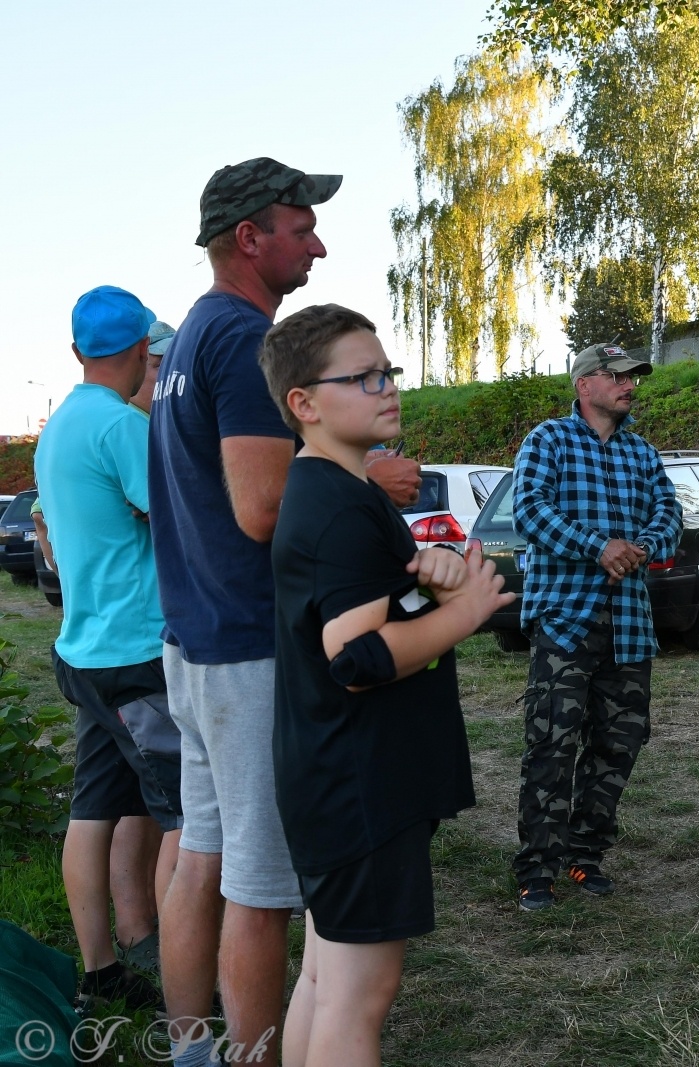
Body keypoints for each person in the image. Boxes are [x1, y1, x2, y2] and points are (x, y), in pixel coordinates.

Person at [147, 157, 419, 1067]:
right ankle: (255, 1056)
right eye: (301, 228)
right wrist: (368, 477)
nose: (319, 242)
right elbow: (263, 508)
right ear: (249, 238)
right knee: (261, 888)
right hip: (250, 652)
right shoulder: (241, 338)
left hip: (194, 640)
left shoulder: (189, 336)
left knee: (202, 858)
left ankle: (194, 1048)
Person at [258, 304, 510, 1067]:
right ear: (304, 403)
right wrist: (464, 610)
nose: (387, 388)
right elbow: (358, 659)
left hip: (332, 774)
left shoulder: (334, 490)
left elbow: (363, 612)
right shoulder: (339, 507)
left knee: (326, 983)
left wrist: (426, 587)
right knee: (356, 999)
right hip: (359, 782)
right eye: (362, 378)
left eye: (387, 372)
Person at [34, 286, 183, 1011]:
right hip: (136, 655)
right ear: (137, 353)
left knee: (91, 812)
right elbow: (179, 520)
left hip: (83, 651)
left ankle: (99, 972)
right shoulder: (122, 427)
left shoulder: (57, 427)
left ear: (76, 352)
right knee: (188, 817)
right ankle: (195, 980)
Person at [509, 343, 682, 911]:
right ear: (585, 385)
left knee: (620, 740)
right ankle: (538, 869)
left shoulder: (641, 452)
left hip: (629, 623)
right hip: (565, 619)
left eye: (632, 377)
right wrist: (596, 547)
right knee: (553, 743)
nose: (629, 385)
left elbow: (669, 513)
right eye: (617, 376)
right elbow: (530, 510)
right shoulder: (549, 441)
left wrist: (643, 547)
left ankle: (586, 854)